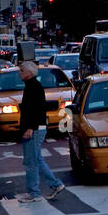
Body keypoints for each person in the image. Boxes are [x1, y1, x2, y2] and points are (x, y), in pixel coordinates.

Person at [17, 60, 64, 203]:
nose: (20, 73)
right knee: (36, 159)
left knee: (30, 161)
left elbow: (36, 110)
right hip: (37, 127)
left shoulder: (33, 87)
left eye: (22, 71)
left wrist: (30, 128)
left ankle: (34, 193)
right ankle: (55, 184)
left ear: (29, 73)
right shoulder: (33, 86)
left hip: (34, 129)